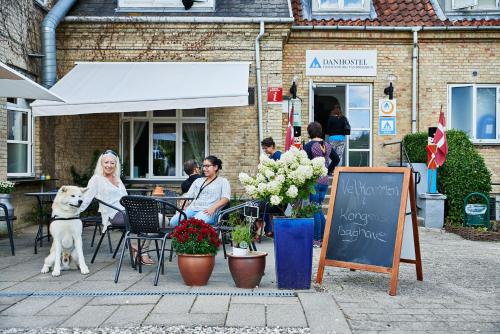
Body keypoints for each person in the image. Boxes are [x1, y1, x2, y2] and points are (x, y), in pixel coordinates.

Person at [80, 149, 154, 265]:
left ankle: (140, 249)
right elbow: (86, 198)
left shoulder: (117, 178)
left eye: (112, 163)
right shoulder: (96, 179)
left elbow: (125, 198)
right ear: (101, 163)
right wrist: (74, 211)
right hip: (113, 214)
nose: (109, 165)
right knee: (146, 220)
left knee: (156, 218)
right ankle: (141, 251)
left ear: (115, 165)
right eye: (106, 162)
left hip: (126, 211)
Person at [304, 122, 340, 247]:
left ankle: (317, 240)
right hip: (324, 181)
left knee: (315, 209)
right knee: (318, 208)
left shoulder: (308, 146)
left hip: (313, 181)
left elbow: (304, 163)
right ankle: (326, 237)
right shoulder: (327, 145)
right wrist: (328, 170)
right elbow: (337, 159)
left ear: (310, 132)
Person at [170, 155, 230, 226]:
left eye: (207, 166)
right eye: (203, 166)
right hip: (192, 209)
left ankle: (189, 236)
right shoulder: (198, 181)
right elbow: (188, 195)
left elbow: (226, 198)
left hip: (208, 211)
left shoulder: (223, 181)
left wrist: (213, 208)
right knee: (173, 222)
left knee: (194, 223)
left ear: (215, 167)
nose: (204, 169)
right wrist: (184, 202)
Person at [326, 99, 350, 167]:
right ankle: (338, 170)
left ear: (333, 110)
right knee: (339, 155)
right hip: (341, 139)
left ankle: (331, 170)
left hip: (332, 139)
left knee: (332, 155)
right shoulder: (343, 118)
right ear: (340, 110)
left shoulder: (330, 118)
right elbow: (347, 128)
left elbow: (327, 129)